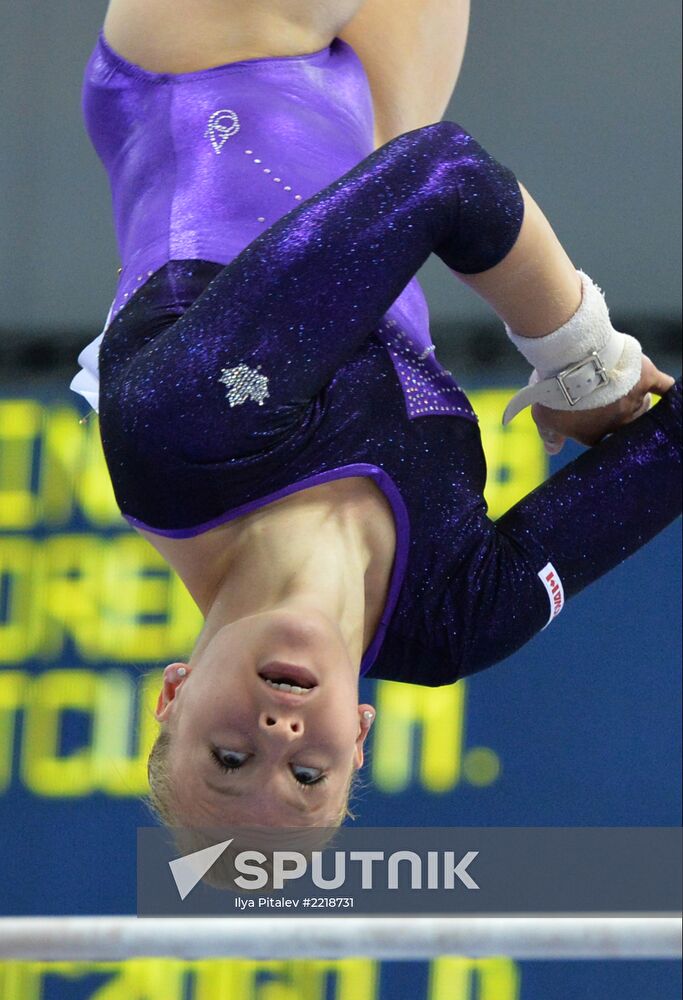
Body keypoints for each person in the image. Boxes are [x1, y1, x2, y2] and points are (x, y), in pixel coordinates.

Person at [71, 0, 681, 830]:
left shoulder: (184, 443)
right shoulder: (452, 617)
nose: (277, 733)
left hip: (210, 59)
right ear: (358, 740)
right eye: (308, 772)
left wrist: (585, 366)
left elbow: (450, 178)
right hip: (374, 123)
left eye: (229, 759)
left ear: (172, 697)